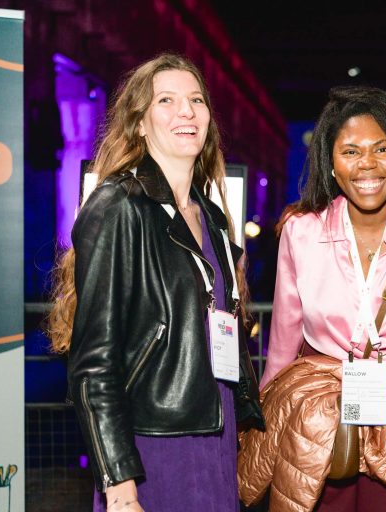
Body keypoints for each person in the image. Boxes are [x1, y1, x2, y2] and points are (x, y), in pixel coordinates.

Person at [47, 53, 263, 512]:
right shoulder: (117, 208)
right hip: (152, 446)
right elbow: (93, 365)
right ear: (140, 124)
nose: (186, 111)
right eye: (166, 100)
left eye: (196, 100)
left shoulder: (213, 219)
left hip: (216, 436)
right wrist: (120, 487)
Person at [255, 85, 386, 511]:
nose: (367, 163)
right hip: (319, 409)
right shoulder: (301, 231)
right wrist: (267, 418)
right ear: (331, 164)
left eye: (382, 148)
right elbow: (283, 339)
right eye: (350, 151)